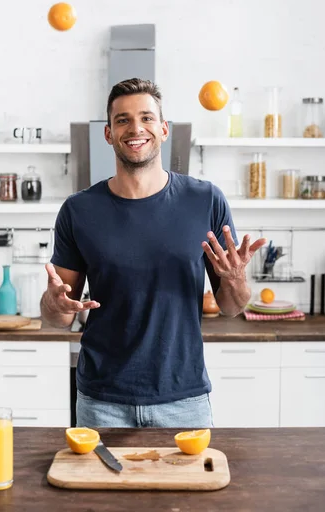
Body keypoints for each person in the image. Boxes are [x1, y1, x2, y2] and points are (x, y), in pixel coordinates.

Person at [41, 78, 266, 428]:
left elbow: (231, 307)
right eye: (122, 120)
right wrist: (54, 304)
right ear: (108, 133)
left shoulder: (205, 200)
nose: (135, 128)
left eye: (147, 118)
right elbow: (58, 318)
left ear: (163, 130)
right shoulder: (78, 210)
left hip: (184, 399)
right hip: (102, 401)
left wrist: (235, 278)